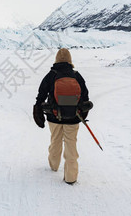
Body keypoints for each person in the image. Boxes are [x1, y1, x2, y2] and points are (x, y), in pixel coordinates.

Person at [33, 48, 90, 185]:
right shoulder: (76, 76)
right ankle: (71, 177)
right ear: (70, 60)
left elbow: (41, 96)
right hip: (74, 118)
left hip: (54, 117)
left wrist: (38, 111)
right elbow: (85, 98)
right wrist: (81, 114)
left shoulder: (51, 75)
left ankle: (54, 165)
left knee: (55, 141)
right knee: (71, 145)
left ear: (56, 59)